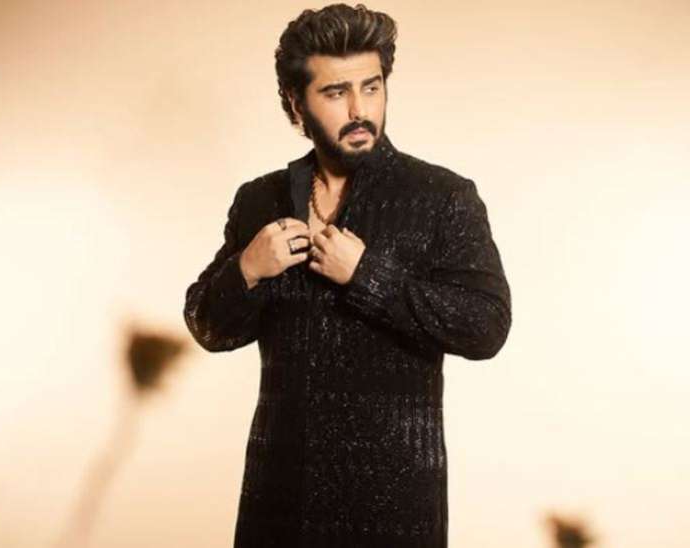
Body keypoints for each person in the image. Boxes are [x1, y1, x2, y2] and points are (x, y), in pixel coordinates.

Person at [183, 3, 512, 547]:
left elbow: (486, 326)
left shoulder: (441, 197)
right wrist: (248, 268)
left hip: (393, 507)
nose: (360, 109)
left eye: (372, 87)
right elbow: (209, 327)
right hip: (279, 501)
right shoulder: (261, 198)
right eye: (336, 93)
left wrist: (368, 277)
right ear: (297, 103)